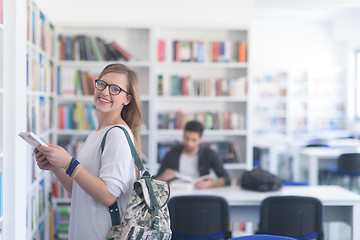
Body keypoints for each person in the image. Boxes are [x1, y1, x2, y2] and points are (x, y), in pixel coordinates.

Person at [34, 63, 143, 240]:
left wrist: (69, 163)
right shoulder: (97, 134)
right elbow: (80, 189)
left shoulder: (117, 135)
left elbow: (108, 196)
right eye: (102, 84)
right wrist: (56, 166)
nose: (105, 92)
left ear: (127, 99)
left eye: (115, 89)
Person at [157, 120, 231, 188]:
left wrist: (210, 184)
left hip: (201, 194)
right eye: (186, 138)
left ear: (200, 139)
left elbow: (226, 179)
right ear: (183, 136)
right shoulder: (172, 153)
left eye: (193, 140)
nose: (189, 143)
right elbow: (156, 180)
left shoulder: (209, 153)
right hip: (178, 194)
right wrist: (164, 176)